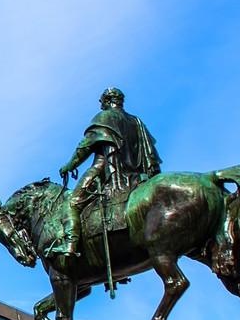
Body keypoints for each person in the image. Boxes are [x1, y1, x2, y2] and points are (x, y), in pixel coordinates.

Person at [47, 88, 162, 256]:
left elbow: (85, 147)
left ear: (107, 101)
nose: (101, 106)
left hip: (108, 170)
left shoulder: (104, 117)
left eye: (102, 103)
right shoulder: (136, 122)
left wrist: (69, 166)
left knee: (72, 202)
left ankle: (70, 245)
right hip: (137, 175)